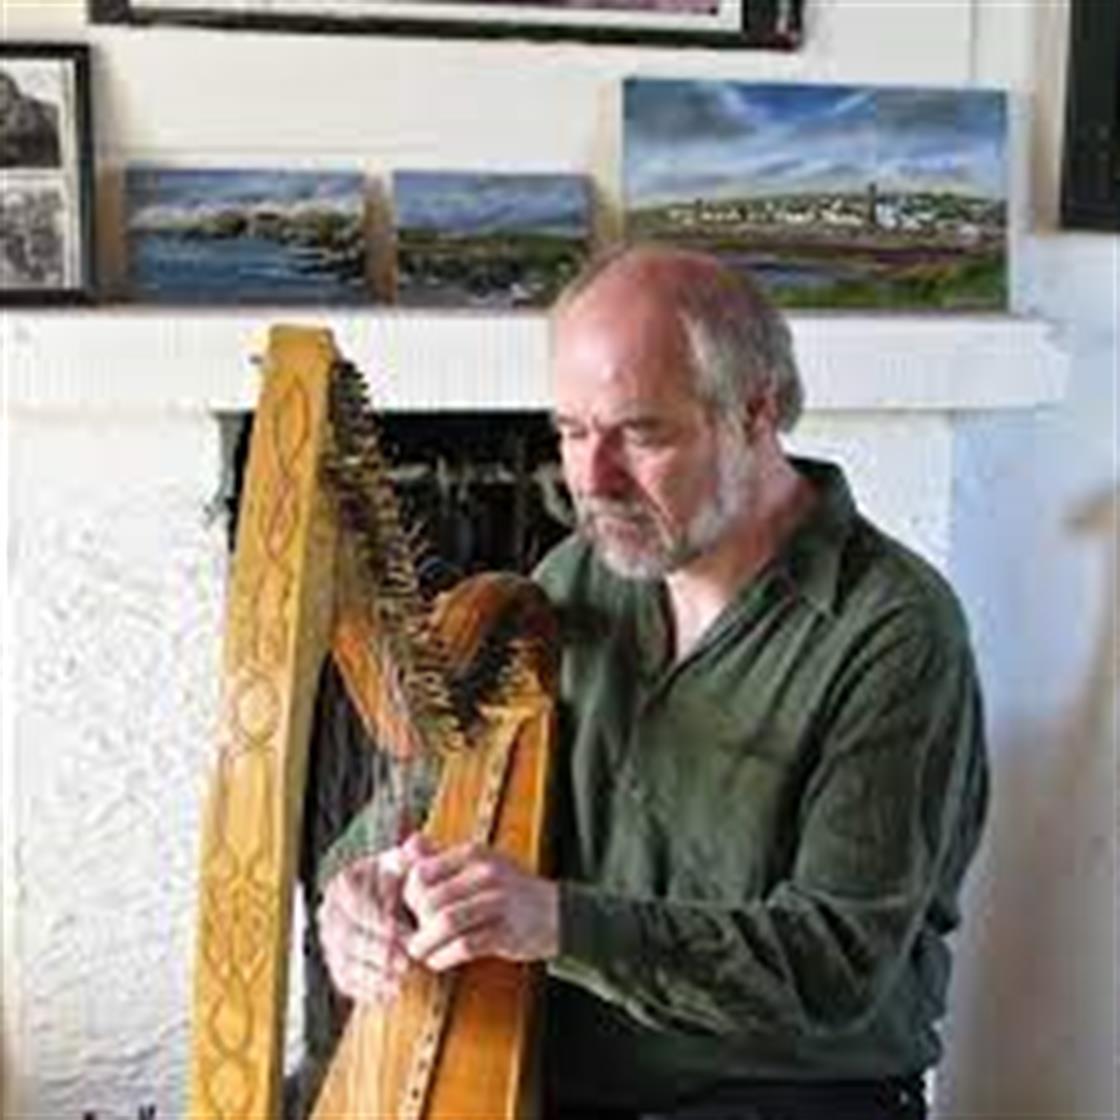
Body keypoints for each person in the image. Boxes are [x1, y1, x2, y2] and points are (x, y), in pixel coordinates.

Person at [314, 245, 989, 1119]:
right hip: (569, 1079)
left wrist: (556, 921)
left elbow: (834, 965)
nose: (591, 481)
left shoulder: (894, 631)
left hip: (787, 1093)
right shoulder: (573, 583)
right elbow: (421, 787)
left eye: (640, 433)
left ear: (758, 412)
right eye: (571, 431)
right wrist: (359, 887)